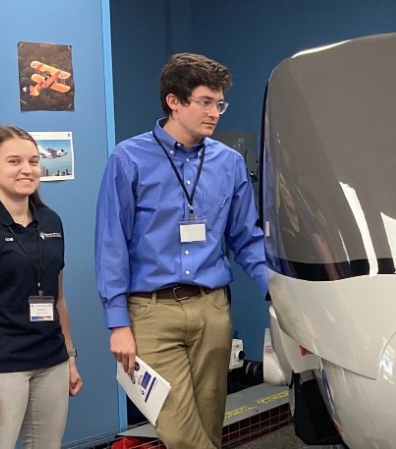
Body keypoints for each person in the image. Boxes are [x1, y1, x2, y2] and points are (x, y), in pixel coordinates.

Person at [96, 53, 269, 449]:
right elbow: (111, 244)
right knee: (181, 432)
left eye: (219, 104)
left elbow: (246, 237)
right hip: (151, 312)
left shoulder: (229, 163)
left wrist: (277, 292)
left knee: (209, 427)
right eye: (205, 102)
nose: (214, 113)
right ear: (173, 101)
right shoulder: (128, 159)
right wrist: (117, 322)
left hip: (212, 310)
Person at [0, 125, 84, 448]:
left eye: (33, 161)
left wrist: (70, 357)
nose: (27, 169)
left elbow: (58, 299)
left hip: (51, 360)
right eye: (14, 161)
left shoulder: (50, 221)